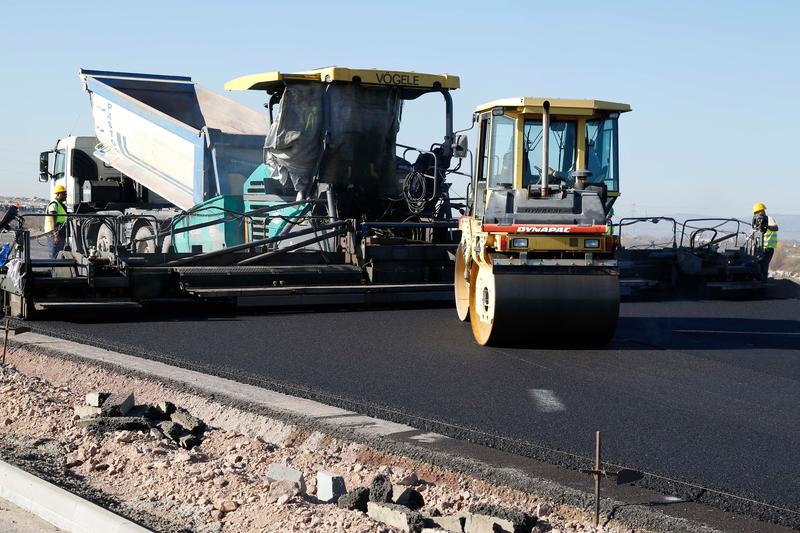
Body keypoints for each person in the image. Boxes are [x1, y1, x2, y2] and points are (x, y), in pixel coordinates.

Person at [752, 202, 778, 280]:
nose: (756, 214)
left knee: (764, 264)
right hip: (759, 247)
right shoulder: (756, 220)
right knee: (758, 264)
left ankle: (764, 281)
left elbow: (776, 228)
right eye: (755, 213)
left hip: (768, 248)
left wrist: (767, 226)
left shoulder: (768, 219)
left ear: (762, 211)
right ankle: (759, 279)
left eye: (757, 212)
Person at [45, 184, 68, 259]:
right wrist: (55, 233)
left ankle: (55, 269)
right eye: (64, 194)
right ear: (58, 194)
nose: (66, 195)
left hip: (60, 230)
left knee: (58, 253)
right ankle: (52, 269)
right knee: (54, 253)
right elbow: (53, 219)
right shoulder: (54, 204)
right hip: (54, 231)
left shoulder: (61, 205)